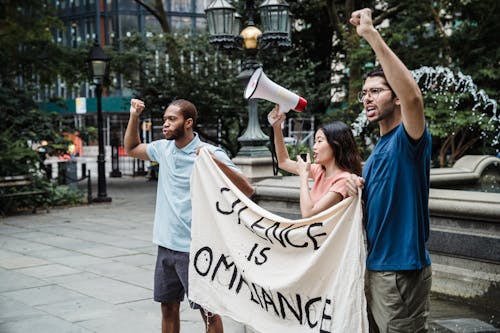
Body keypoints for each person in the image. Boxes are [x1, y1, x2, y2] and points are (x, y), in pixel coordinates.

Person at [124, 98, 254, 333]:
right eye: (164, 119)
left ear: (188, 123)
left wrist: (213, 161)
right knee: (168, 307)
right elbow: (132, 148)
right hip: (165, 245)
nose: (165, 124)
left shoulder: (209, 152)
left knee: (208, 312)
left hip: (196, 248)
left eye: (171, 119)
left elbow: (247, 188)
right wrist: (134, 115)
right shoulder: (163, 149)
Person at [347, 8, 432, 333]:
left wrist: (370, 34)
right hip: (375, 268)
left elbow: (413, 96)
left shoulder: (408, 140)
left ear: (396, 100)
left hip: (400, 272)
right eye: (364, 93)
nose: (367, 99)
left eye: (376, 91)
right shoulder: (379, 149)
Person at [268, 105, 362, 218]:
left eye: (319, 141)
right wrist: (276, 127)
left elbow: (308, 214)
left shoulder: (343, 180)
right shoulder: (320, 170)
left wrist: (304, 177)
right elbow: (283, 162)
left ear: (336, 145)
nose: (314, 147)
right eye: (315, 141)